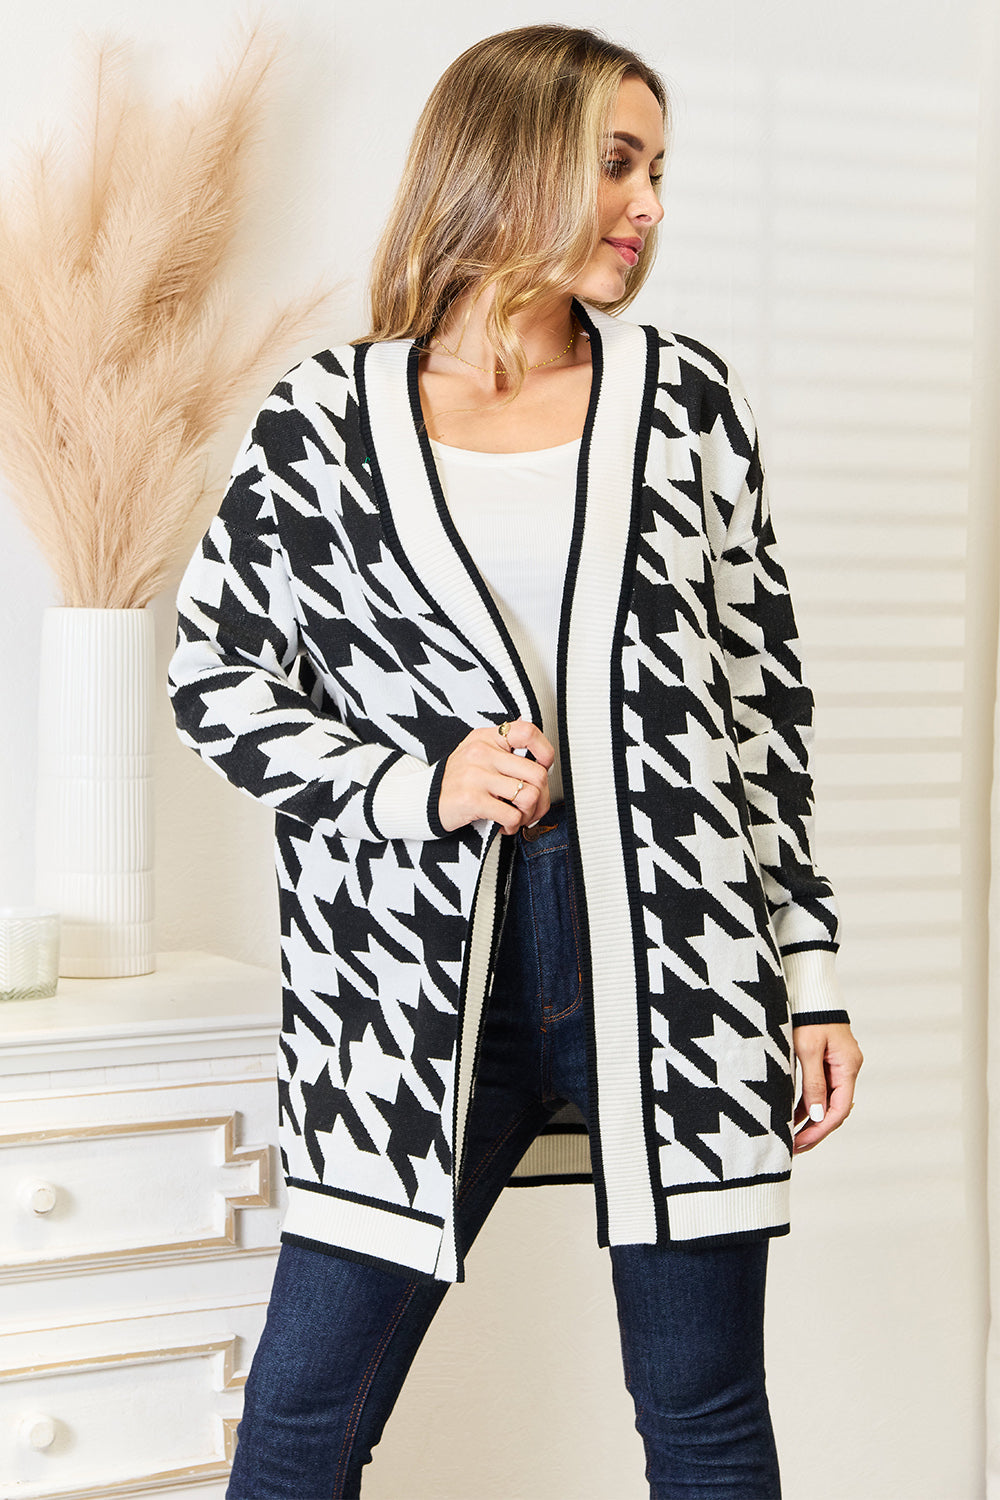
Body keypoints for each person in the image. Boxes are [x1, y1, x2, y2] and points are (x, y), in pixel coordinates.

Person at [168, 23, 863, 1500]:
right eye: (618, 163)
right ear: (509, 158)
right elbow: (212, 677)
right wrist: (413, 784)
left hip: (675, 959)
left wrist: (810, 977)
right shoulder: (321, 424)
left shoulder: (686, 403)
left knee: (704, 1415)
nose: (650, 205)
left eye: (660, 170)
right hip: (415, 977)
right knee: (303, 1426)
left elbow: (763, 707)